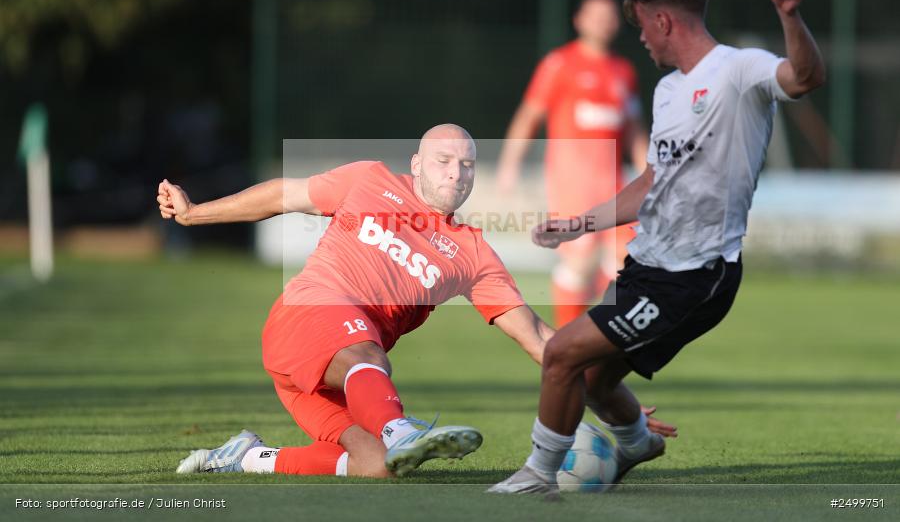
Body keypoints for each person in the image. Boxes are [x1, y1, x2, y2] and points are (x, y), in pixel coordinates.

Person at [157, 123, 676, 479]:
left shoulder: (473, 253)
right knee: (367, 354)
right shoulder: (368, 181)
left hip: (339, 374)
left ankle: (247, 457)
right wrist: (195, 213)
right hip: (308, 319)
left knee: (376, 464)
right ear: (416, 163)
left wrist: (615, 403)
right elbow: (282, 195)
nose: (456, 173)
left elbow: (540, 339)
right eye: (444, 160)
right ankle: (401, 427)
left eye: (468, 165)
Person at [490, 0, 825, 494]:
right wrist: (581, 223)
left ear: (665, 21)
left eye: (644, 26)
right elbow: (652, 180)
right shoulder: (669, 90)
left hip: (695, 273)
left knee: (561, 355)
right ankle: (639, 443)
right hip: (647, 264)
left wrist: (790, 17)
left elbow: (803, 78)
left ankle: (538, 474)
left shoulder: (739, 70)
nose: (640, 38)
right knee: (597, 380)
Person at [496, 0, 649, 328]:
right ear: (579, 20)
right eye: (595, 15)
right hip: (572, 182)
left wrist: (650, 174)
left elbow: (636, 130)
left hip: (613, 183)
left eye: (609, 16)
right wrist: (510, 166)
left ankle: (600, 343)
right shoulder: (560, 63)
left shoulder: (623, 71)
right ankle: (567, 341)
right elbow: (529, 115)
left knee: (625, 261)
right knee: (579, 261)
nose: (602, 22)